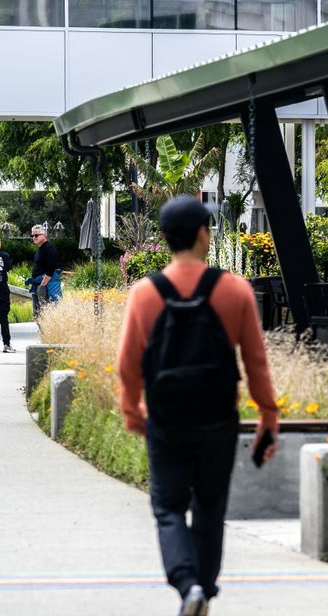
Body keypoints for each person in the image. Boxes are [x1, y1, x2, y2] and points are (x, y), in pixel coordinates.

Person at [117, 196, 279, 616]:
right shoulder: (234, 290)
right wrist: (268, 415)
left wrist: (133, 412)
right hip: (218, 418)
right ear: (204, 235)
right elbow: (256, 361)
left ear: (166, 239)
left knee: (168, 506)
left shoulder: (145, 294)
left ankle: (187, 585)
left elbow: (128, 364)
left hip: (167, 419)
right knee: (210, 506)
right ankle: (203, 590)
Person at [30, 224, 62, 313]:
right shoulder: (40, 248)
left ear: (44, 235)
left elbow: (51, 268)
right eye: (32, 235)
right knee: (38, 314)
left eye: (36, 235)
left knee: (47, 311)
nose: (34, 237)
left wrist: (42, 285)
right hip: (39, 283)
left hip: (47, 284)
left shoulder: (49, 248)